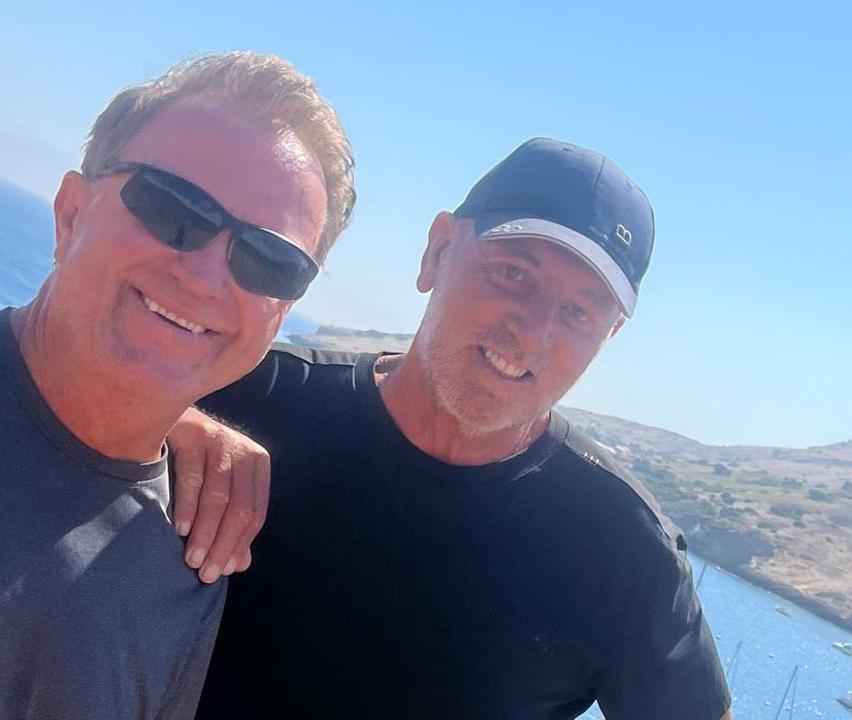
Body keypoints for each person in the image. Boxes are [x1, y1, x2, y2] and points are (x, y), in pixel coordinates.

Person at [190, 138, 732, 719]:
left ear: (609, 336)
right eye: (514, 273)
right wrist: (170, 421)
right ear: (438, 250)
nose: (533, 333)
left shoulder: (623, 547)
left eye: (579, 311)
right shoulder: (250, 399)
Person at [0, 52, 355, 719]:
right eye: (172, 209)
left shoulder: (205, 545)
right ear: (71, 212)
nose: (206, 274)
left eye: (268, 259)